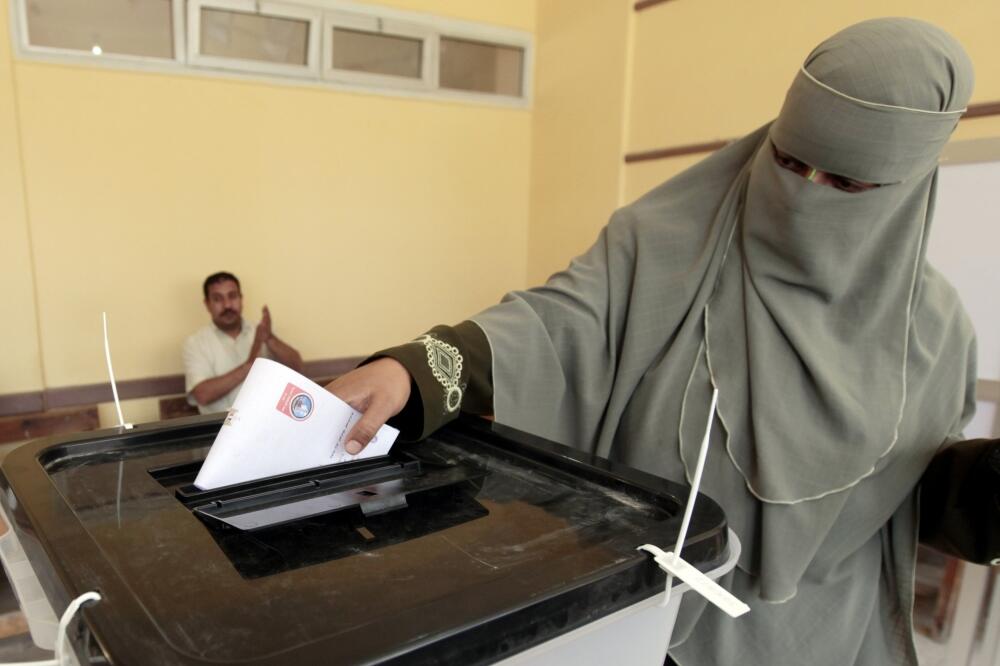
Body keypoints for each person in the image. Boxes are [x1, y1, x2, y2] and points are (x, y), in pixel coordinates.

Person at [326, 18, 999, 665]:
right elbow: (560, 321)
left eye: (845, 184)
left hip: (802, 637)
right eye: (789, 161)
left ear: (905, 190)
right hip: (638, 604)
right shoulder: (672, 242)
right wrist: (420, 371)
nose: (804, 197)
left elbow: (904, 494)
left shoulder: (936, 335)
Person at [183, 271, 303, 414]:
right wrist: (250, 365)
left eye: (232, 296)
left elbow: (298, 368)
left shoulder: (260, 331)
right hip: (220, 428)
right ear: (207, 304)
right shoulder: (195, 343)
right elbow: (202, 395)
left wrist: (270, 338)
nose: (227, 305)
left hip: (267, 420)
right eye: (217, 299)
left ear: (241, 298)